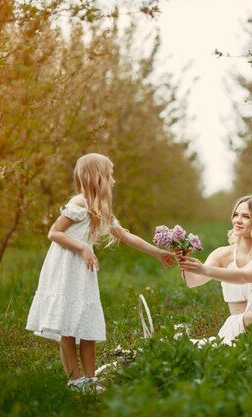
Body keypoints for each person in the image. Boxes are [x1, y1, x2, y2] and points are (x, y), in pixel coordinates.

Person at [25, 153, 175, 391]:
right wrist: (83, 247)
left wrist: (157, 252)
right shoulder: (79, 203)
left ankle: (90, 380)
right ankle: (76, 382)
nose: (113, 180)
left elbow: (125, 235)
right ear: (98, 177)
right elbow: (54, 233)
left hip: (83, 271)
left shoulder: (99, 208)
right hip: (67, 269)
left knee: (86, 326)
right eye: (110, 174)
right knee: (67, 326)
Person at [176, 195, 252, 345]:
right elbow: (192, 282)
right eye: (235, 215)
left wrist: (203, 269)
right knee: (249, 318)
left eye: (246, 216)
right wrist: (185, 261)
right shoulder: (222, 254)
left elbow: (246, 276)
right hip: (239, 324)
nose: (237, 220)